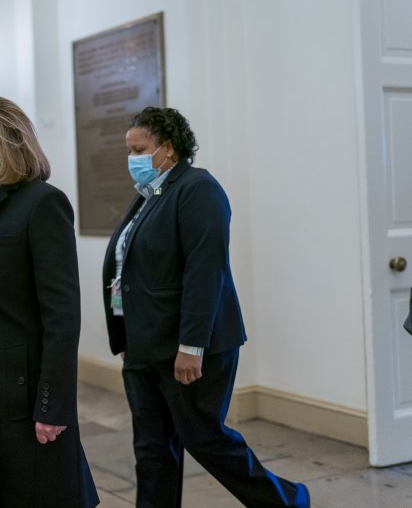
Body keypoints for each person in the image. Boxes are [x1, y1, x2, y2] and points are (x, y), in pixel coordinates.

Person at [102, 106, 311, 507]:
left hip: (188, 345)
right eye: (128, 151)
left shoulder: (197, 188)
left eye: (139, 149)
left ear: (168, 148)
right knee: (151, 447)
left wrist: (191, 345)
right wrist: (126, 334)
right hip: (146, 346)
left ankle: (285, 500)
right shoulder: (149, 196)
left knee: (205, 438)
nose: (132, 159)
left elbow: (205, 269)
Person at [0, 96, 98, 508]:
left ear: (5, 142)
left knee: (34, 493)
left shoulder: (42, 203)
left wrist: (53, 403)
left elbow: (62, 315)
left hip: (21, 393)